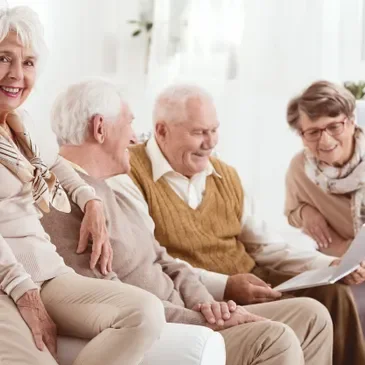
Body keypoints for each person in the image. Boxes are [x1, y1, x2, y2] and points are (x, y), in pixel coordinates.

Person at [43, 77, 334, 365]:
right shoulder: (64, 204)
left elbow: (164, 260)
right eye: (129, 123)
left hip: (193, 311)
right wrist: (201, 319)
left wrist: (209, 304)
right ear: (100, 128)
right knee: (274, 339)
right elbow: (116, 303)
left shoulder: (105, 187)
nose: (135, 137)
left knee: (312, 315)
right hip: (172, 330)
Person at [113, 83, 365, 365]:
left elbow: (265, 246)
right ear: (162, 131)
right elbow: (151, 261)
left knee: (334, 294)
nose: (210, 142)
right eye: (199, 132)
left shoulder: (225, 175)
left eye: (214, 130)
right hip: (203, 295)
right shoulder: (129, 174)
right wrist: (226, 286)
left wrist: (327, 266)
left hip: (251, 280)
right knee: (311, 312)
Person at [0, 6, 165, 365]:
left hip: (46, 270)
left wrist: (91, 202)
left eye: (28, 63)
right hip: (4, 282)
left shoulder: (20, 125)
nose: (16, 75)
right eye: (3, 58)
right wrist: (25, 294)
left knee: (145, 313)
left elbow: (55, 163)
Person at [285, 79, 365, 333]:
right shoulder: (300, 168)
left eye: (334, 126)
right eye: (314, 131)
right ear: (302, 134)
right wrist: (305, 213)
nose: (325, 140)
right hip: (347, 264)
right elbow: (292, 211)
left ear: (351, 122)